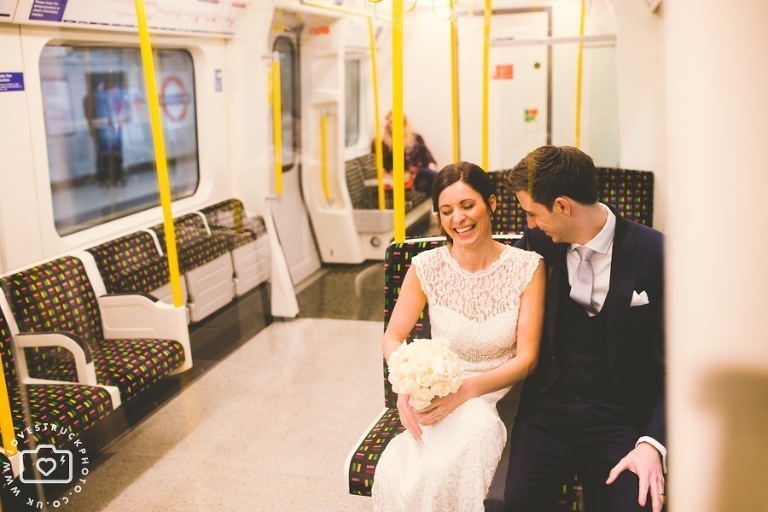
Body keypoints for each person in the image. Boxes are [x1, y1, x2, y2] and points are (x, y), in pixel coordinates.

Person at [371, 161, 546, 512]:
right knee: (412, 478)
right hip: (437, 391)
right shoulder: (426, 267)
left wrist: (466, 392)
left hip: (500, 395)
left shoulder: (528, 267)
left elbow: (527, 359)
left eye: (468, 206)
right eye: (447, 211)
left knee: (469, 439)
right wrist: (407, 386)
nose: (458, 219)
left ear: (492, 205)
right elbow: (392, 338)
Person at [502, 145, 666, 512]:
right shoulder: (536, 244)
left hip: (618, 415)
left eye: (532, 213)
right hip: (546, 409)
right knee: (517, 503)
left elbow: (677, 367)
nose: (528, 224)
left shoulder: (657, 254)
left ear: (563, 206)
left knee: (634, 505)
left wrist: (651, 443)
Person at [373, 111, 438, 194]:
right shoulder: (386, 144)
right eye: (391, 122)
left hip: (419, 173)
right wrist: (382, 127)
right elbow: (376, 149)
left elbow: (427, 156)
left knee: (429, 175)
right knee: (427, 176)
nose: (395, 125)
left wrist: (432, 166)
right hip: (401, 177)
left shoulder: (415, 138)